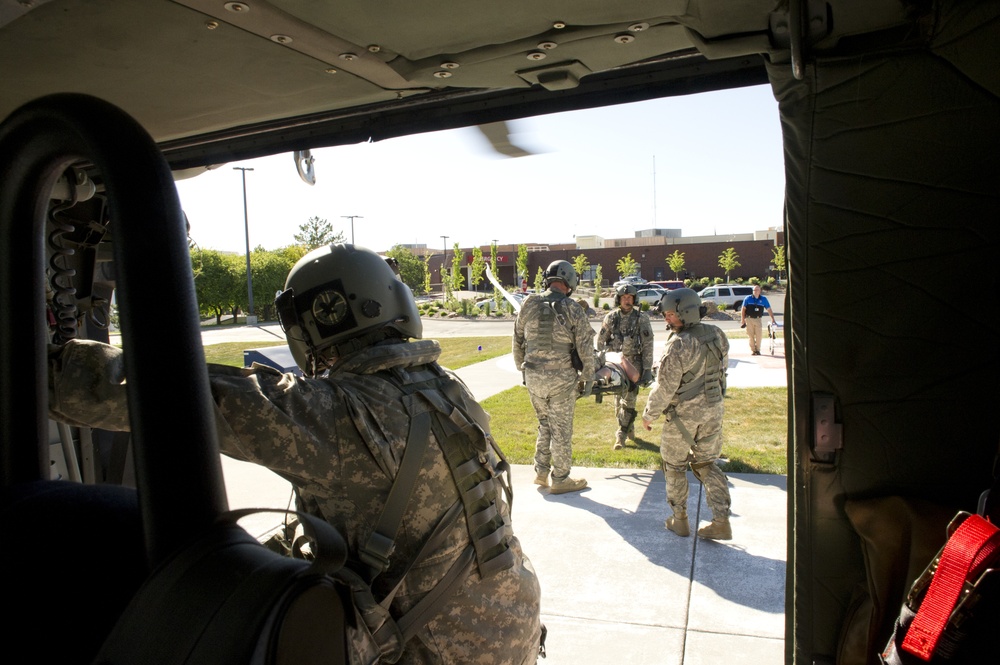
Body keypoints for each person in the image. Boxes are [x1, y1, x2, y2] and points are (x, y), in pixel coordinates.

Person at [48, 244, 544, 663]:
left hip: (434, 651)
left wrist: (50, 371)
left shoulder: (338, 415)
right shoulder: (445, 389)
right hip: (511, 627)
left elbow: (185, 393)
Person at [641, 288, 733, 540]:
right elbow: (721, 370)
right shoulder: (718, 335)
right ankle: (721, 521)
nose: (666, 319)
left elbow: (665, 387)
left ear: (687, 313)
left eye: (671, 314)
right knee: (706, 464)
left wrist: (649, 414)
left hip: (683, 417)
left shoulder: (678, 345)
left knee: (674, 466)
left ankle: (679, 519)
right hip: (713, 410)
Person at [513, 260, 595, 495]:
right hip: (561, 379)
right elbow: (585, 347)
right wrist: (588, 376)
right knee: (561, 429)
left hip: (534, 377)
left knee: (544, 424)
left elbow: (517, 339)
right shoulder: (573, 308)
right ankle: (560, 478)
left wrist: (523, 369)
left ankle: (540, 472)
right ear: (569, 281)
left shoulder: (528, 303)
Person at [595, 283, 654, 450]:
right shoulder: (611, 318)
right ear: (618, 299)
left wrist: (647, 369)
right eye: (624, 297)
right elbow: (600, 341)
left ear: (634, 299)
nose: (627, 300)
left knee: (629, 400)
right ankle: (629, 427)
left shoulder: (642, 319)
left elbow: (648, 344)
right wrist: (602, 362)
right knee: (618, 401)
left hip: (634, 364)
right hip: (615, 365)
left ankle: (620, 435)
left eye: (630, 297)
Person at [739, 284, 776, 356]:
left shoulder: (764, 299)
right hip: (749, 319)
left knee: (759, 335)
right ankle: (753, 350)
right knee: (750, 336)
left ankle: (758, 350)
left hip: (758, 319)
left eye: (757, 290)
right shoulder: (747, 298)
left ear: (760, 291)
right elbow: (743, 310)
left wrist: (772, 318)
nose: (755, 291)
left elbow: (769, 309)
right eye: (754, 290)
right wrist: (742, 320)